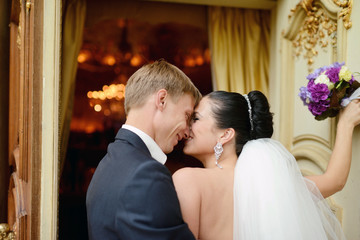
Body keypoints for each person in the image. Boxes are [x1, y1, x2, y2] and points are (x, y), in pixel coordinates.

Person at [173, 90, 360, 240]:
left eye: (195, 119)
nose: (186, 126)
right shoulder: (270, 184)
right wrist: (346, 124)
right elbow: (335, 181)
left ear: (225, 135)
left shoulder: (188, 180)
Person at [86, 59, 201, 240]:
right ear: (161, 100)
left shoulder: (109, 161)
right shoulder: (147, 174)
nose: (187, 131)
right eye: (186, 115)